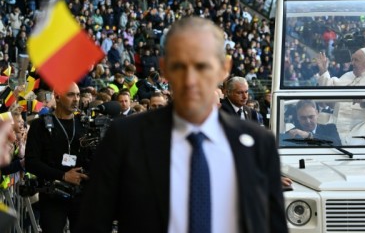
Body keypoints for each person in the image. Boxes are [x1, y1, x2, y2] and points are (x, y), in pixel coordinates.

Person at [75, 16, 288, 232]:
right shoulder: (125, 139)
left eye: (202, 66)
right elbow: (92, 224)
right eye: (179, 66)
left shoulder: (258, 144)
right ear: (164, 68)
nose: (190, 79)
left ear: (224, 69)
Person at [25, 83, 88, 233]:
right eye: (71, 94)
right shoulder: (40, 125)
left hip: (82, 194)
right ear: (57, 96)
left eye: (78, 95)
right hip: (52, 195)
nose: (76, 99)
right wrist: (63, 175)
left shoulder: (85, 125)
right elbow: (31, 162)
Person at [315, 48, 365, 144]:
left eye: (356, 60)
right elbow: (330, 93)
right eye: (352, 60)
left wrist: (364, 101)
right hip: (336, 126)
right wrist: (323, 70)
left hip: (360, 129)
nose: (352, 63)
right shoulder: (348, 76)